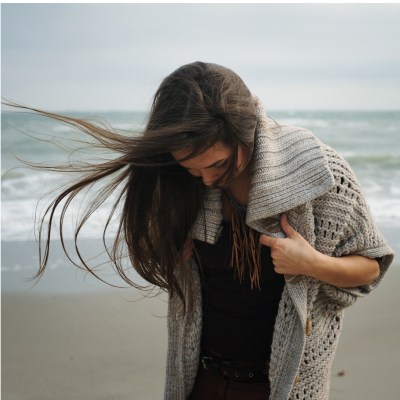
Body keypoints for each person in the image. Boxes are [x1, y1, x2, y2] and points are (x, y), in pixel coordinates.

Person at [12, 62, 394, 399]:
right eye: (194, 169)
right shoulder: (184, 184)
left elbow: (371, 267)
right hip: (200, 379)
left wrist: (311, 264)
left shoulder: (318, 172)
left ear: (245, 133)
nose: (208, 180)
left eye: (219, 165)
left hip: (282, 384)